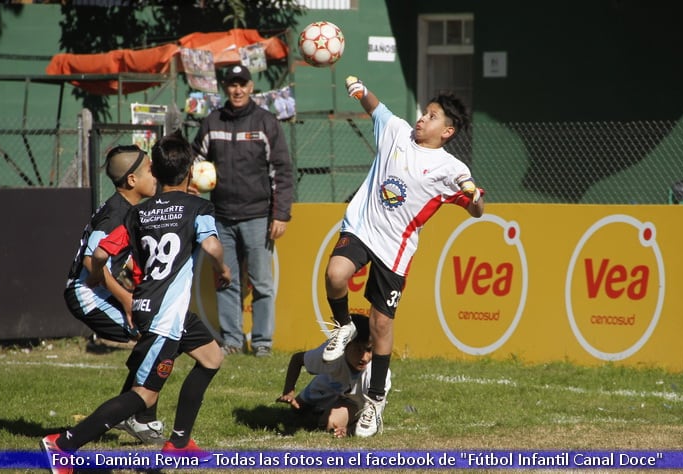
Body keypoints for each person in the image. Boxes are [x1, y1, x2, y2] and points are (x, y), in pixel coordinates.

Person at [41, 133, 232, 474]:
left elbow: (99, 254)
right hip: (163, 316)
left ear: (156, 172)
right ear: (190, 171)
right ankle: (64, 445)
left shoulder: (137, 213)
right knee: (143, 395)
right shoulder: (198, 207)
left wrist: (101, 274)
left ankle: (179, 443)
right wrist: (223, 269)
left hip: (155, 307)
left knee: (211, 356)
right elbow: (214, 248)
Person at [320, 75, 485, 438]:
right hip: (362, 228)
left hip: (395, 251)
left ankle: (375, 400)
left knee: (381, 325)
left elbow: (476, 207)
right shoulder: (396, 131)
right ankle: (344, 325)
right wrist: (361, 89)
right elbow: (375, 107)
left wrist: (474, 199)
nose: (422, 119)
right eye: (424, 113)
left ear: (447, 132)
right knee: (335, 275)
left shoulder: (451, 169)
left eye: (432, 116)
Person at [63, 144, 165, 445]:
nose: (155, 174)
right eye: (149, 169)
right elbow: (92, 260)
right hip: (86, 294)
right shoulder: (116, 212)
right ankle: (135, 415)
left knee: (153, 337)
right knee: (155, 335)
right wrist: (125, 298)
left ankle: (132, 411)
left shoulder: (126, 208)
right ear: (132, 180)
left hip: (95, 290)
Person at [191, 64, 294, 358]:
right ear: (226, 88)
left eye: (242, 84)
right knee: (226, 280)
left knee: (261, 284)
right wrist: (192, 183)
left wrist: (281, 214)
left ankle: (262, 343)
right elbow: (195, 161)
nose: (237, 90)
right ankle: (233, 341)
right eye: (232, 84)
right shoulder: (212, 122)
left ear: (251, 88)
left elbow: (282, 172)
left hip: (258, 217)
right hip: (221, 217)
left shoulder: (266, 122)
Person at [276, 314, 391, 438]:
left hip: (355, 401)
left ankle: (329, 414)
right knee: (296, 409)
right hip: (331, 383)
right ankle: (320, 409)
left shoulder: (378, 374)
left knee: (329, 424)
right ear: (345, 346)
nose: (364, 358)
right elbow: (297, 360)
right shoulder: (331, 355)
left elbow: (375, 417)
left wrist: (349, 430)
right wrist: (289, 391)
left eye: (369, 350)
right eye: (358, 350)